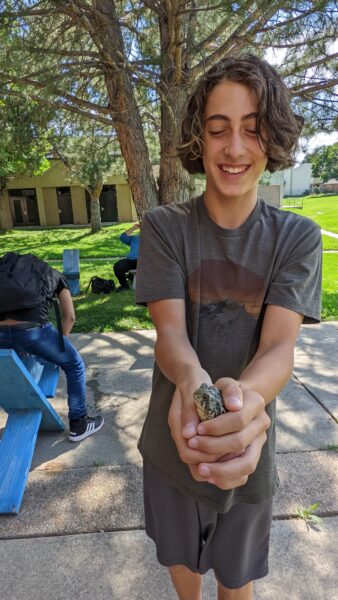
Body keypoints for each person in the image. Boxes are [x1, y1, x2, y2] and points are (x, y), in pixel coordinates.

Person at [135, 54, 322, 600]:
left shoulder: (298, 239)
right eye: (218, 130)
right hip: (171, 450)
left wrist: (244, 400)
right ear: (200, 137)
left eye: (253, 130)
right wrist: (193, 382)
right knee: (181, 571)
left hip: (250, 453)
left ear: (274, 138)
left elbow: (280, 346)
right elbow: (170, 335)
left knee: (237, 584)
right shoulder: (164, 227)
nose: (235, 149)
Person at [0, 254, 104, 442]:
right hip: (32, 332)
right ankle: (79, 423)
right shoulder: (51, 274)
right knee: (74, 365)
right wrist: (58, 346)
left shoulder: (3, 275)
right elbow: (70, 317)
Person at [114, 222, 140, 291]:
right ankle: (124, 285)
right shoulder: (134, 238)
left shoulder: (153, 238)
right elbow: (122, 237)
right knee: (118, 266)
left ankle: (131, 277)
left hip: (145, 262)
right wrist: (134, 228)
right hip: (131, 261)